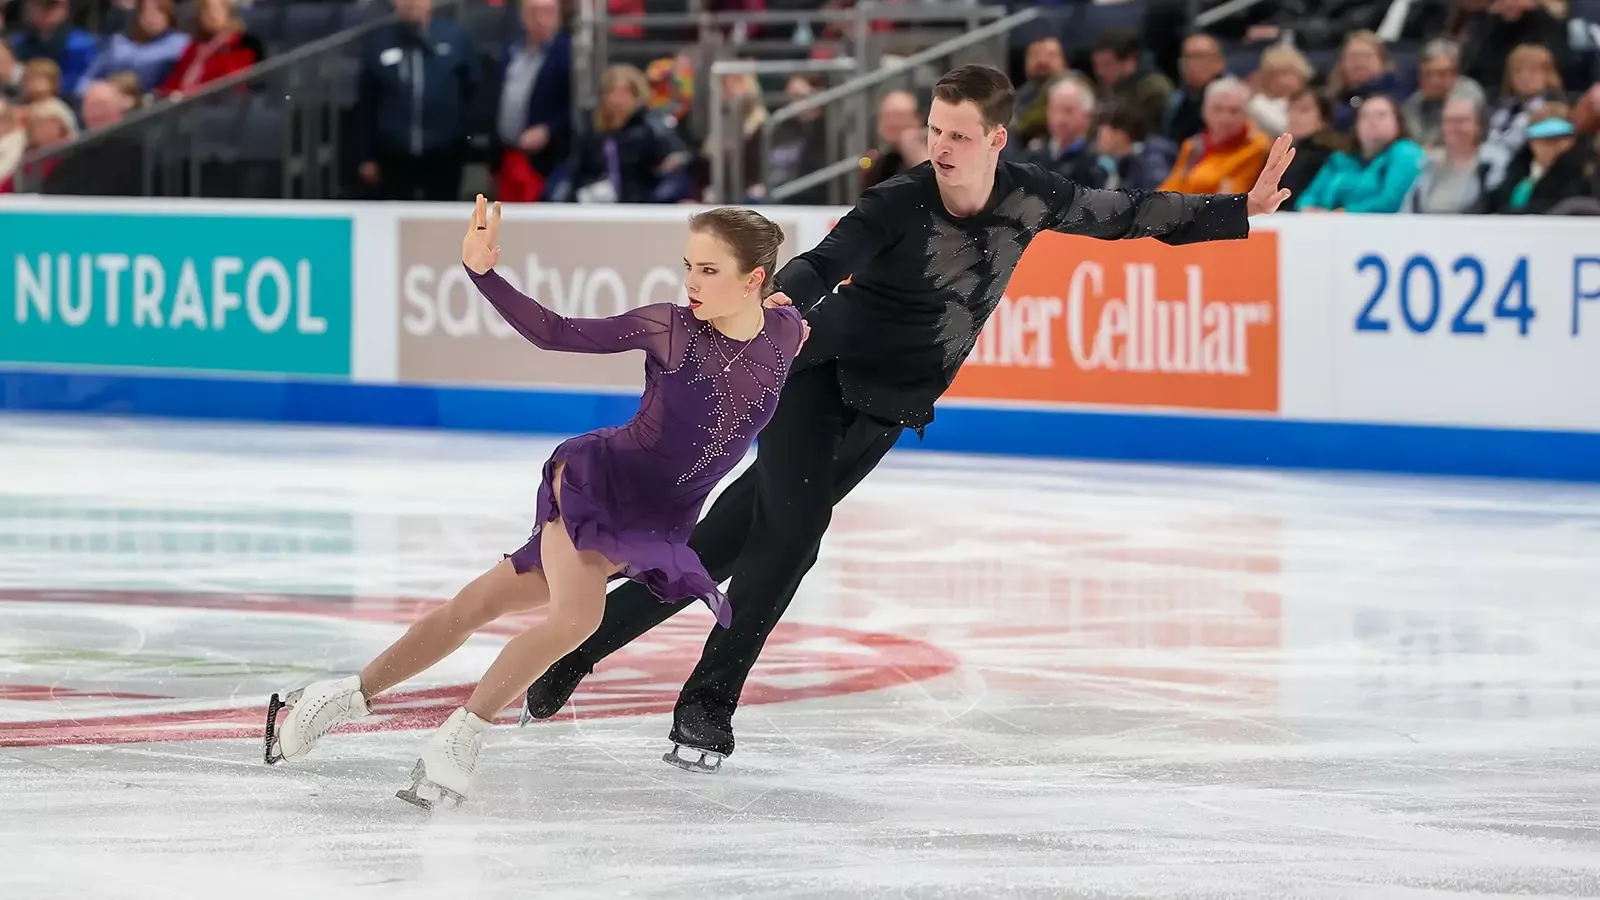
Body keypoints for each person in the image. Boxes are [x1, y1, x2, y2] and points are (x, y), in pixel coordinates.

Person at [521, 64, 1296, 775]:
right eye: (934, 130)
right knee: (791, 538)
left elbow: (1128, 213)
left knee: (724, 543)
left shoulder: (1034, 196)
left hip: (889, 407)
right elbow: (824, 263)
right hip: (815, 378)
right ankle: (706, 704)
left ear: (996, 138)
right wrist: (779, 303)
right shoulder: (898, 200)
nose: (942, 147)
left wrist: (1239, 209)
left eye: (959, 135)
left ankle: (578, 646)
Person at [261, 197, 807, 807]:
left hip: (657, 520)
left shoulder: (787, 332)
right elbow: (556, 332)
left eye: (708, 270)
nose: (691, 282)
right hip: (601, 486)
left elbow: (811, 314)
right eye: (688, 266)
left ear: (754, 279)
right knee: (579, 618)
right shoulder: (671, 328)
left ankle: (334, 700)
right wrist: (483, 274)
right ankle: (459, 741)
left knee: (475, 606)